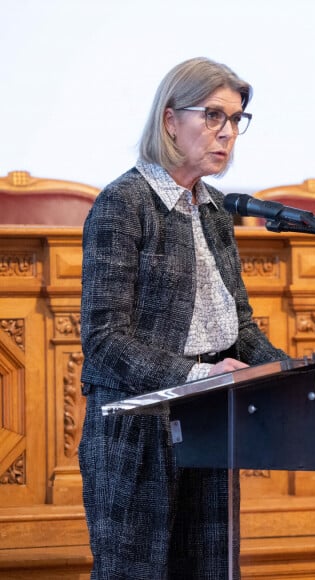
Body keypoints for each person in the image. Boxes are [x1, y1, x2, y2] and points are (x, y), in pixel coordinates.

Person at [78, 57, 288, 579]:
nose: (228, 132)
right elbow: (104, 342)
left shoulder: (215, 206)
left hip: (209, 424)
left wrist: (295, 371)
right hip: (137, 431)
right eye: (213, 116)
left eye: (236, 119)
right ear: (170, 120)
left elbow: (239, 326)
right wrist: (196, 377)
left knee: (211, 570)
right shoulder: (123, 204)